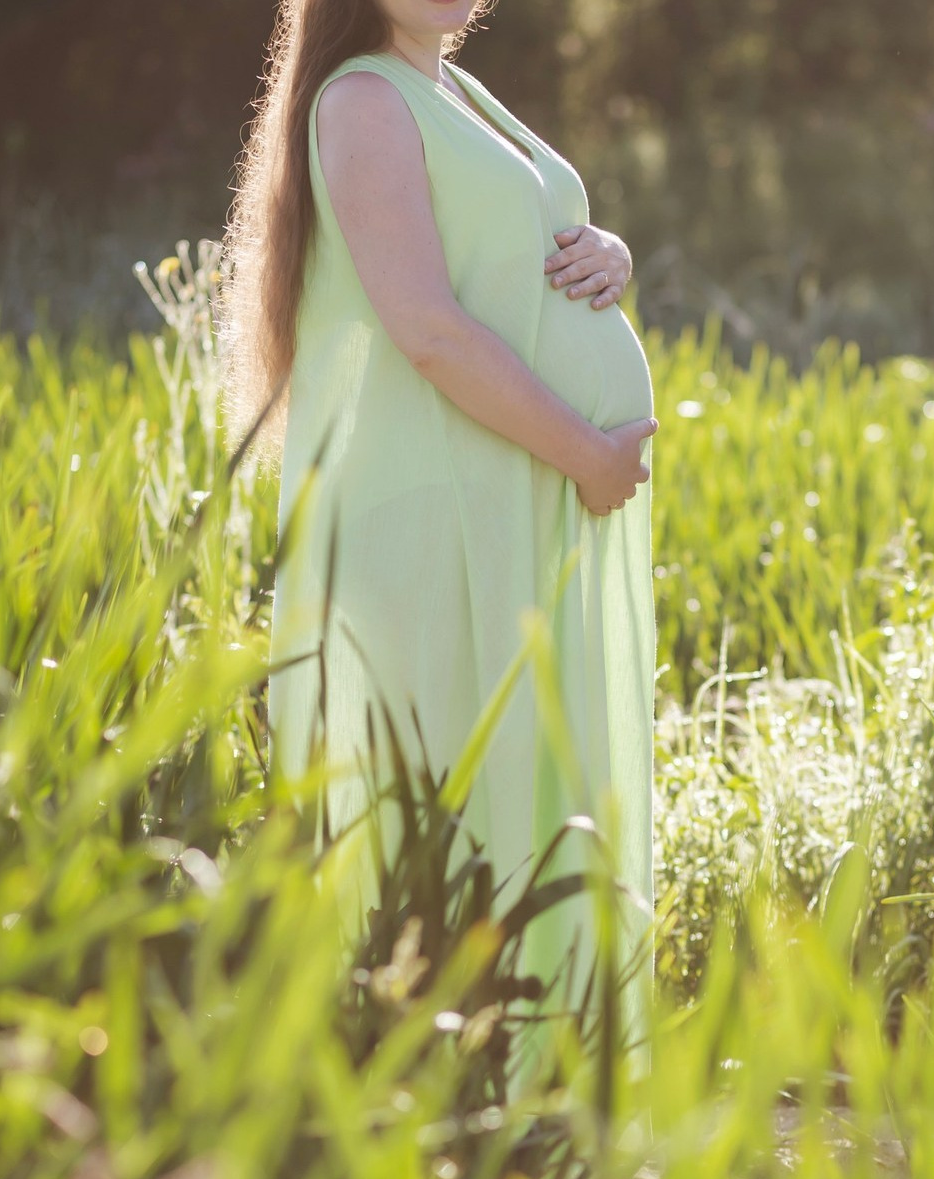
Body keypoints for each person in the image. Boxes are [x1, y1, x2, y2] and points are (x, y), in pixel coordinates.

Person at [216, 0, 660, 1089]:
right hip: (441, 517)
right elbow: (426, 329)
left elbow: (512, 247)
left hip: (507, 497)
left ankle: (531, 1104)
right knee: (456, 805)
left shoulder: (447, 87)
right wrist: (585, 453)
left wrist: (608, 250)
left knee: (523, 791)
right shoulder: (366, 99)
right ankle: (440, 1114)